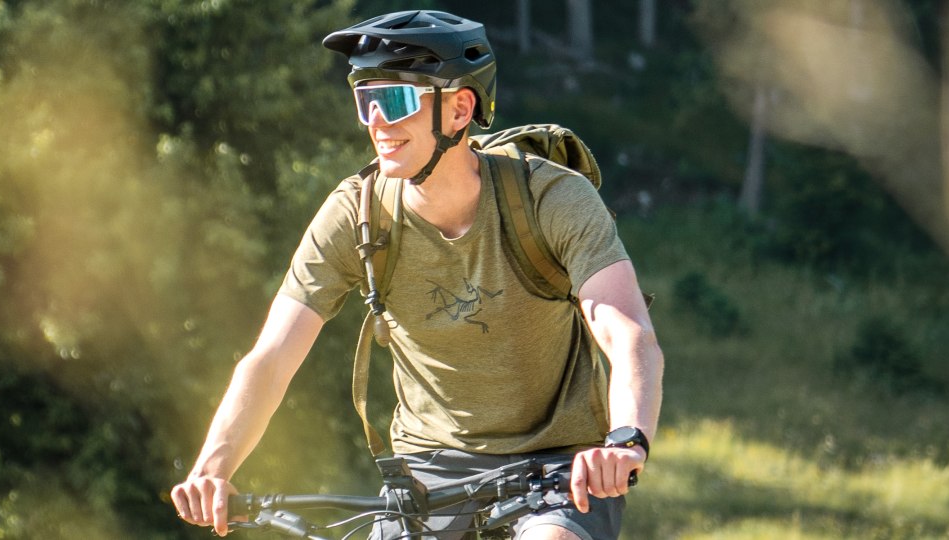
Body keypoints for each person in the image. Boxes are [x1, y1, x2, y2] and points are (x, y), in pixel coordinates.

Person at [168, 11, 663, 540]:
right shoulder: (357, 216)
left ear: (459, 109)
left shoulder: (551, 198)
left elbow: (627, 329)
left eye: (397, 100)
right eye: (366, 100)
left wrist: (625, 440)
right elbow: (271, 358)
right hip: (429, 471)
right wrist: (212, 469)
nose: (377, 120)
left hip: (556, 469)